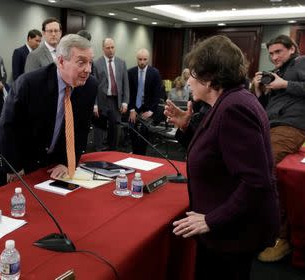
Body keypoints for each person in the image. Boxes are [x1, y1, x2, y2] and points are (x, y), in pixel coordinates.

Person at [167, 35, 279, 280]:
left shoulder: (233, 108)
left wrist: (212, 220)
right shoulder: (228, 101)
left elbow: (256, 181)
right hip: (231, 228)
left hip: (233, 233)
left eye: (193, 76)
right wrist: (186, 127)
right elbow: (216, 153)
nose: (189, 83)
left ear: (209, 78)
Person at [0, 34, 97, 186]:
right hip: (15, 162)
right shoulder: (29, 84)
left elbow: (80, 129)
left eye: (90, 62)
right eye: (81, 63)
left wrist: (67, 162)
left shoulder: (89, 86)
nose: (88, 69)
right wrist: (14, 168)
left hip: (48, 164)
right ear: (60, 61)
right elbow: (8, 128)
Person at [251, 34, 305, 262]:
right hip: (270, 125)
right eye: (271, 53)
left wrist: (285, 84)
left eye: (278, 52)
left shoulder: (302, 63)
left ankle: (281, 237)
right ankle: (260, 224)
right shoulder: (277, 73)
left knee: (266, 165)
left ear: (292, 49)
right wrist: (259, 90)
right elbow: (266, 107)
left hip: (292, 126)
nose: (273, 57)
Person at [93, 38, 129, 151]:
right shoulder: (96, 63)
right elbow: (93, 86)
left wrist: (125, 102)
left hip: (115, 101)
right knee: (99, 128)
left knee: (115, 127)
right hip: (101, 100)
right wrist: (95, 104)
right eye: (108, 48)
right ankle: (98, 151)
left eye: (112, 47)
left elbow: (125, 84)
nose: (110, 50)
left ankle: (113, 151)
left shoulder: (121, 63)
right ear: (103, 49)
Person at [127, 48, 162, 155]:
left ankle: (142, 155)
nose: (142, 62)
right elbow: (128, 93)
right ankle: (135, 153)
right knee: (132, 130)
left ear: (148, 59)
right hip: (134, 107)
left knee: (144, 132)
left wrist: (151, 110)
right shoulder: (130, 72)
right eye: (140, 59)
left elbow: (157, 94)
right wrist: (131, 109)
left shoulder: (155, 73)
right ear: (136, 59)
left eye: (144, 59)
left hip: (148, 107)